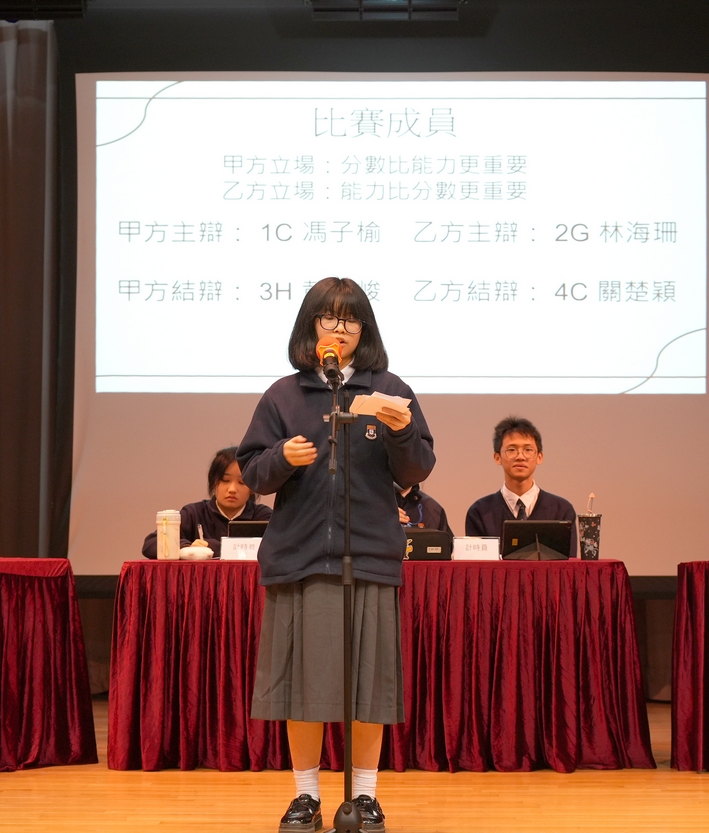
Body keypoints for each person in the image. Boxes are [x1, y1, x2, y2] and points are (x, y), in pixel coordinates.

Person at [238, 277, 435, 833]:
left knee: (369, 688)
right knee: (303, 688)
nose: (341, 329)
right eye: (330, 318)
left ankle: (365, 797)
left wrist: (401, 432)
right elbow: (252, 471)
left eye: (351, 320)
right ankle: (306, 797)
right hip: (300, 558)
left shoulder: (390, 389)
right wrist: (282, 456)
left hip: (368, 556)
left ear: (364, 331)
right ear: (312, 327)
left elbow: (417, 469)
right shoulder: (284, 395)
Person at [464, 416, 578, 557]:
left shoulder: (561, 510)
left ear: (539, 457)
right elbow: (477, 566)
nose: (520, 457)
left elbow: (569, 566)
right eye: (511, 450)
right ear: (497, 457)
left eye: (528, 450)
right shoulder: (480, 512)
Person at [140, 446, 272, 558]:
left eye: (241, 482)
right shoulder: (194, 513)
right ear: (214, 482)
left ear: (253, 486)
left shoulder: (263, 517)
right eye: (225, 480)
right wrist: (187, 548)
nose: (232, 489)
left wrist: (212, 547)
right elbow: (151, 543)